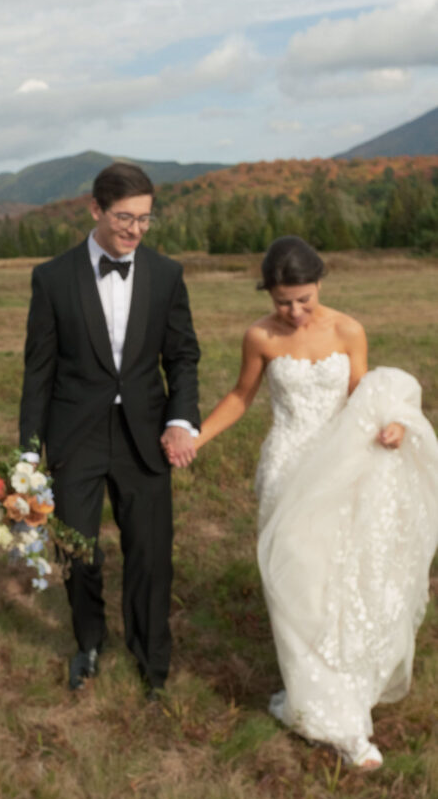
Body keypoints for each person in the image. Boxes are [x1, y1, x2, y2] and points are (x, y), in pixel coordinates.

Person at [172, 235, 438, 768]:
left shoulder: (348, 329)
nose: (293, 312)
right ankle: (316, 703)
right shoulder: (260, 336)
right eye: (281, 302)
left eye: (303, 300)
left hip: (340, 466)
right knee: (295, 585)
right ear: (268, 295)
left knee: (338, 584)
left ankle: (339, 707)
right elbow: (241, 397)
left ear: (320, 284)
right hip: (287, 468)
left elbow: (363, 398)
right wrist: (194, 438)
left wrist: (390, 425)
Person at [20, 162, 200, 698]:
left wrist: (179, 419)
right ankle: (89, 643)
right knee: (78, 550)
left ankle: (152, 664)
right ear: (95, 209)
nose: (136, 230)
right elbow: (38, 371)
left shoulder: (167, 275)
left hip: (145, 435)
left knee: (150, 553)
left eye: (146, 219)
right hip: (75, 434)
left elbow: (183, 356)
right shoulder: (52, 277)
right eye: (125, 218)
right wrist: (28, 455)